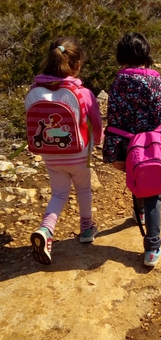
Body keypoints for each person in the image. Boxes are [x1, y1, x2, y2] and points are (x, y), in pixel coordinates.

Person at [103, 32, 161, 267]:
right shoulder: (158, 79)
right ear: (146, 53)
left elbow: (115, 119)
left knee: (138, 176)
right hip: (156, 147)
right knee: (154, 193)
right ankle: (152, 247)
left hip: (129, 147)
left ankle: (140, 214)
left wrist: (112, 152)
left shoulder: (118, 81)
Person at [26, 37, 103, 265]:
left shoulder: (35, 91)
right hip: (78, 154)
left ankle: (46, 230)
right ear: (77, 64)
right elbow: (96, 123)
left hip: (49, 154)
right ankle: (87, 228)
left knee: (59, 194)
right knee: (83, 189)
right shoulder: (83, 93)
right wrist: (97, 141)